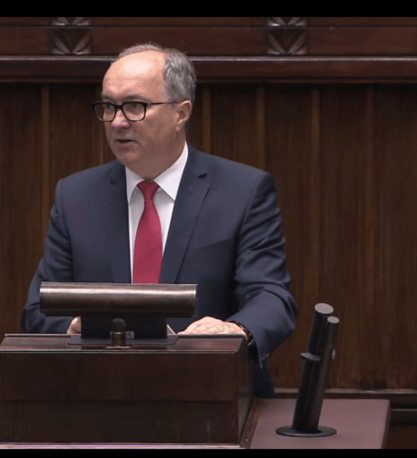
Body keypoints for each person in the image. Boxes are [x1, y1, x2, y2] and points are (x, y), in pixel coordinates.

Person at [21, 43, 297, 397]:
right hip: (99, 397)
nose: (117, 122)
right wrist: (74, 325)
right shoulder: (75, 196)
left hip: (212, 394)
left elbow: (271, 297)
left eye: (134, 106)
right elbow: (38, 309)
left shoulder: (243, 191)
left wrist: (237, 330)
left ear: (181, 113)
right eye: (108, 106)